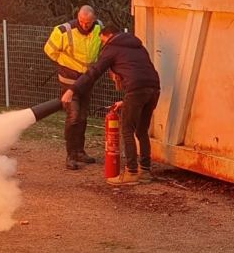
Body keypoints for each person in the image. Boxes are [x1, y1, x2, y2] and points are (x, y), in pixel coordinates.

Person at [61, 21, 160, 186]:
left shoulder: (112, 47)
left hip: (135, 90)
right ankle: (145, 171)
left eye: (102, 41)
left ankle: (131, 172)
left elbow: (93, 72)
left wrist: (72, 89)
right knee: (142, 131)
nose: (102, 45)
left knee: (127, 130)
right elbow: (139, 72)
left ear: (108, 36)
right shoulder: (138, 47)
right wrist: (125, 100)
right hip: (154, 88)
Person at [43, 5, 102, 170]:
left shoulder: (99, 27)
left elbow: (102, 48)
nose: (84, 25)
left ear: (94, 19)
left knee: (82, 116)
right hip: (68, 79)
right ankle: (71, 155)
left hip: (87, 79)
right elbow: (49, 51)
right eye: (82, 21)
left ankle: (80, 151)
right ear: (77, 16)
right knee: (73, 116)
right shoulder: (63, 30)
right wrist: (66, 64)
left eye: (88, 22)